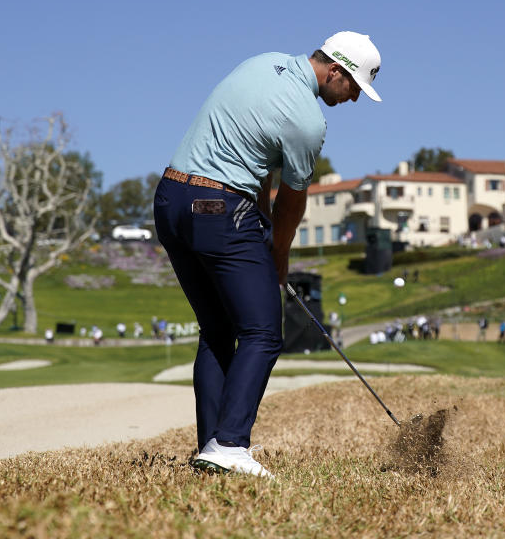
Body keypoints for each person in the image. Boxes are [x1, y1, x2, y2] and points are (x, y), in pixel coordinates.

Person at [153, 31, 382, 478]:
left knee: (218, 330)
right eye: (353, 86)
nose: (353, 98)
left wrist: (258, 226)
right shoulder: (308, 121)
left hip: (171, 200)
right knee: (262, 333)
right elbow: (292, 201)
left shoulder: (262, 62)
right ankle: (232, 444)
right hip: (218, 209)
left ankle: (212, 449)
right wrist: (278, 254)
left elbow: (257, 167)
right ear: (335, 70)